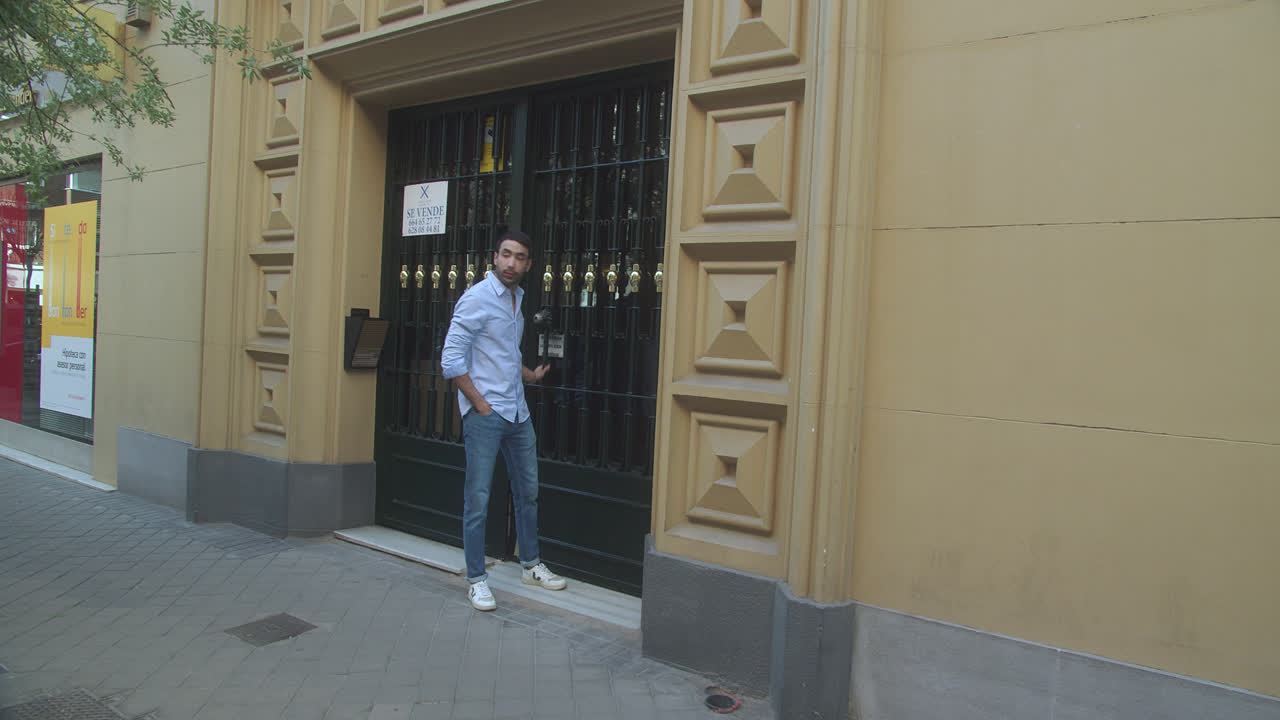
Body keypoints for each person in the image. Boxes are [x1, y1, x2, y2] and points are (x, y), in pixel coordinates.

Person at [441, 229, 567, 611]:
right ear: (494, 257)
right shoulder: (476, 299)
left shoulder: (518, 299)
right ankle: (477, 578)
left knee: (528, 493)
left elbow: (503, 354)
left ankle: (530, 563)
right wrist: (479, 404)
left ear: (528, 264)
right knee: (477, 499)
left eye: (520, 257)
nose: (512, 263)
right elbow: (451, 362)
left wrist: (529, 375)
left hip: (517, 412)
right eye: (506, 255)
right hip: (487, 413)